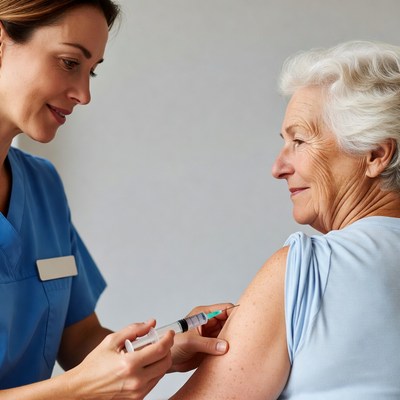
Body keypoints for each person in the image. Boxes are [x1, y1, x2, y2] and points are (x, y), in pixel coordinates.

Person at [0, 1, 232, 399]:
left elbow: (80, 338)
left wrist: (162, 349)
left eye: (92, 72)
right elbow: (81, 381)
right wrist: (77, 390)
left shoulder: (42, 186)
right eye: (70, 62)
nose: (84, 94)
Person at [170, 40, 400, 399]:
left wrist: (146, 365)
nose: (278, 168)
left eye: (300, 140)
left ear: (375, 154)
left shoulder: (306, 268)